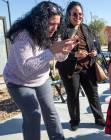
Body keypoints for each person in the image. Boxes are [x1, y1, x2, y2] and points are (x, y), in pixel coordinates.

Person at [3, 1, 78, 140]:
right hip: (18, 80)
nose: (55, 28)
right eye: (51, 24)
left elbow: (60, 58)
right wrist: (51, 51)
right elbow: (26, 68)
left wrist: (65, 51)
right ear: (39, 21)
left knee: (51, 112)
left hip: (40, 79)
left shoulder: (54, 33)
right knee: (33, 114)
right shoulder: (23, 35)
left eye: (57, 24)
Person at [56, 1, 105, 131]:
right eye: (75, 14)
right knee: (73, 96)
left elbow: (95, 44)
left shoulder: (86, 28)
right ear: (68, 15)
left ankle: (99, 118)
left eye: (80, 14)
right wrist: (74, 55)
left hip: (88, 67)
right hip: (70, 69)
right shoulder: (62, 30)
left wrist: (94, 51)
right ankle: (75, 121)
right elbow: (58, 52)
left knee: (93, 93)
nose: (78, 17)